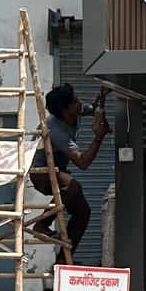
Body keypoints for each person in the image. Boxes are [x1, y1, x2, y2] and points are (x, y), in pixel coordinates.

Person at [30, 84, 108, 260]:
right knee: (74, 186)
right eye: (74, 101)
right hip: (41, 172)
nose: (79, 102)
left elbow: (94, 109)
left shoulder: (76, 112)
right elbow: (82, 162)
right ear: (65, 112)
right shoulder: (55, 129)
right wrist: (98, 137)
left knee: (83, 212)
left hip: (57, 170)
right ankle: (41, 225)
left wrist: (102, 96)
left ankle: (63, 259)